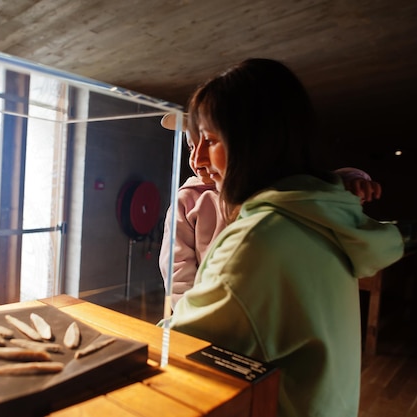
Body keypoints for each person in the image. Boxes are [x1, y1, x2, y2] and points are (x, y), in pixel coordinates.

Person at [165, 58, 404, 417]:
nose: (198, 157)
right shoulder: (321, 214)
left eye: (210, 140)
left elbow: (185, 344)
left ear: (254, 142)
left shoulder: (257, 239)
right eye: (194, 143)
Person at [159, 114, 383, 309]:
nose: (196, 159)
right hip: (209, 311)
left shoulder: (263, 186)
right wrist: (189, 314)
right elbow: (177, 268)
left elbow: (312, 186)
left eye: (209, 142)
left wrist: (354, 180)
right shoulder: (186, 200)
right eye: (190, 146)